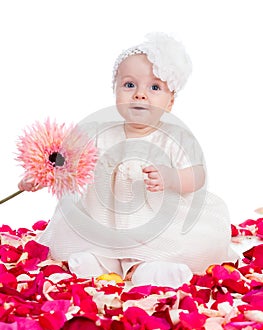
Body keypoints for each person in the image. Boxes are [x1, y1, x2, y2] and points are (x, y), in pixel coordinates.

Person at [18, 33, 238, 288]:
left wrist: (172, 178)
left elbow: (197, 175)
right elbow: (68, 162)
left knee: (177, 242)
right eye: (129, 85)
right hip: (104, 218)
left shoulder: (174, 137)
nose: (140, 95)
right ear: (115, 90)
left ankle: (147, 268)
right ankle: (100, 264)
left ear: (171, 102)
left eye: (154, 88)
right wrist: (40, 175)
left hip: (157, 220)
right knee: (89, 234)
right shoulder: (101, 132)